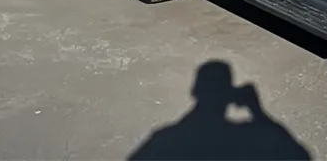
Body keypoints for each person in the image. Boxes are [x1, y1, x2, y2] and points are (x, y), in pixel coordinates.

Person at [129, 60, 311, 160]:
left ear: (194, 92)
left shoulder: (163, 139)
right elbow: (297, 155)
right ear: (230, 94)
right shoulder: (248, 138)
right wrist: (257, 110)